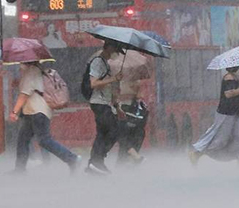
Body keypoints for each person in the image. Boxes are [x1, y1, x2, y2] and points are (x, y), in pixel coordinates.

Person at [10, 61, 80, 174]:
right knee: (23, 140)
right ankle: (19, 169)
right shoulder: (37, 71)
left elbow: (24, 94)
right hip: (32, 112)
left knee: (44, 140)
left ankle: (72, 159)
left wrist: (14, 112)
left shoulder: (31, 73)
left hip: (37, 112)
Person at [189, 66, 239, 165]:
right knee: (220, 140)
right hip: (226, 113)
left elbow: (237, 95)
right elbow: (228, 94)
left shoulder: (235, 78)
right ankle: (197, 153)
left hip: (235, 112)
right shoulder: (229, 78)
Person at [86, 41, 125, 175]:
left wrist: (117, 107)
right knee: (114, 131)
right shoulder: (97, 62)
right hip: (99, 103)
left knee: (102, 134)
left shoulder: (106, 64)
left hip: (106, 103)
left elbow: (109, 90)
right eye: (116, 50)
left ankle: (93, 164)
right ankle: (97, 160)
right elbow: (94, 83)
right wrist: (113, 79)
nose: (117, 54)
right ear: (109, 48)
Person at [116, 80, 148, 165]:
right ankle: (134, 157)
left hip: (136, 130)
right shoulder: (124, 104)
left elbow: (143, 122)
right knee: (123, 138)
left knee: (138, 134)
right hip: (126, 128)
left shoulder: (142, 106)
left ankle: (132, 159)